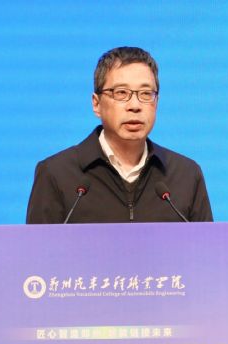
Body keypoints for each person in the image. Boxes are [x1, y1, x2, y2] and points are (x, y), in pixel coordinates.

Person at [26, 46, 213, 224]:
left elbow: (207, 246)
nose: (135, 106)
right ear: (96, 104)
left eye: (146, 94)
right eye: (121, 93)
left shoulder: (186, 175)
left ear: (156, 103)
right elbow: (37, 247)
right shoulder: (56, 174)